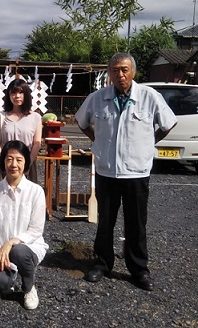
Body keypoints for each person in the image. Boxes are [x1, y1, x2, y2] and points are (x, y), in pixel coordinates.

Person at [75, 52, 177, 291]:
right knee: (105, 222)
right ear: (109, 73)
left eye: (124, 70)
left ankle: (139, 269)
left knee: (136, 223)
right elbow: (82, 123)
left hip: (136, 172)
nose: (120, 75)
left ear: (133, 72)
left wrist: (148, 143)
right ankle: (102, 263)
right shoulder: (97, 98)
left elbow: (168, 123)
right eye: (115, 70)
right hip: (107, 172)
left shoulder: (149, 97)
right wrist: (98, 141)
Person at [0, 140, 48, 310]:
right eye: (9, 159)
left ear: (25, 163)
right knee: (2, 284)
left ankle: (29, 287)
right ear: (3, 162)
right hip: (1, 251)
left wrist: (10, 243)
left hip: (27, 248)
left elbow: (35, 230)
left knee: (19, 251)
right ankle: (11, 276)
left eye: (19, 160)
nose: (13, 165)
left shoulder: (36, 191)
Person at [0, 78, 42, 182]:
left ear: (27, 95)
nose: (17, 96)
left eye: (21, 92)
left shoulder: (35, 117)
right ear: (8, 95)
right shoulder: (1, 116)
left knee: (27, 195)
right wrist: (4, 162)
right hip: (7, 164)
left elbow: (37, 143)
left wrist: (28, 164)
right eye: (13, 93)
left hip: (27, 164)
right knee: (4, 195)